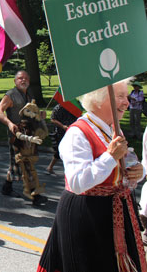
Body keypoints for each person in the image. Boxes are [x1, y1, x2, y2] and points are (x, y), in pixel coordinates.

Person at [37, 79, 147, 272]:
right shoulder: (77, 134)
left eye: (126, 96)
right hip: (88, 215)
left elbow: (122, 167)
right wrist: (111, 156)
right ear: (98, 99)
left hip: (114, 212)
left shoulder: (113, 128)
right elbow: (78, 182)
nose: (127, 102)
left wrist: (138, 171)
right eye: (120, 96)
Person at [0, 70, 37, 197]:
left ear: (29, 81)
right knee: (24, 162)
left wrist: (39, 115)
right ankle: (34, 193)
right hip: (16, 136)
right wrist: (9, 123)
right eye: (20, 78)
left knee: (16, 163)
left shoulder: (28, 96)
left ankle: (7, 186)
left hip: (28, 135)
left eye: (25, 78)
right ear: (15, 81)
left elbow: (31, 114)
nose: (23, 80)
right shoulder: (11, 95)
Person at [46, 104, 78, 174]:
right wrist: (62, 126)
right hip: (60, 132)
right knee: (60, 150)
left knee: (72, 150)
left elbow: (78, 118)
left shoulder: (74, 107)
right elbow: (53, 119)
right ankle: (50, 166)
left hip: (72, 131)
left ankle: (70, 169)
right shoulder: (58, 107)